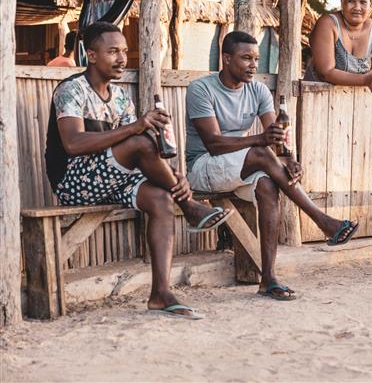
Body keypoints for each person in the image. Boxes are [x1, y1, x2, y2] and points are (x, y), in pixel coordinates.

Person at [45, 22, 232, 320]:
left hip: (112, 178)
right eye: (112, 52)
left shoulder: (120, 97)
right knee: (140, 141)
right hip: (74, 182)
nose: (121, 58)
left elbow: (139, 154)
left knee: (159, 197)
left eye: (123, 51)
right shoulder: (72, 89)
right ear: (91, 55)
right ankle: (190, 207)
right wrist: (136, 127)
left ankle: (161, 293)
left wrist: (172, 175)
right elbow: (73, 143)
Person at [186, 31, 359, 301]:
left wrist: (291, 163)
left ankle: (268, 278)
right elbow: (213, 144)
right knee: (261, 154)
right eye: (246, 58)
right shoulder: (201, 89)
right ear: (227, 58)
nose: (254, 65)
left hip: (239, 166)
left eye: (256, 59)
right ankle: (322, 220)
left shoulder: (258, 90)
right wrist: (260, 142)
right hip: (203, 168)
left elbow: (276, 140)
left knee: (268, 184)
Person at [304, 0, 372, 94]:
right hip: (316, 98)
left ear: (370, 7)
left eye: (363, 2)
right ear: (342, 3)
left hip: (353, 103)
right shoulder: (328, 24)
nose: (357, 7)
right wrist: (365, 79)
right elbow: (325, 73)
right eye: (351, 1)